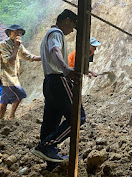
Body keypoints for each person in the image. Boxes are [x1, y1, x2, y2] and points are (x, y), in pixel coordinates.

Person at [32, 9, 85, 164]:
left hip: (49, 82)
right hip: (58, 80)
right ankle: (47, 145)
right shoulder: (56, 33)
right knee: (78, 117)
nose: (71, 31)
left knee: (50, 122)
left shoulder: (47, 34)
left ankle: (50, 160)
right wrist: (65, 68)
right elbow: (55, 50)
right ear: (67, 20)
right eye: (72, 27)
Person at [0, 25, 41, 121]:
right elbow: (9, 61)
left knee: (4, 102)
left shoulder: (18, 45)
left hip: (12, 77)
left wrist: (45, 57)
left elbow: (30, 56)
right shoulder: (3, 45)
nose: (18, 34)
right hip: (5, 78)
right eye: (16, 32)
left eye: (20, 32)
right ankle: (11, 116)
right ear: (9, 33)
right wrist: (15, 48)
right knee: (20, 95)